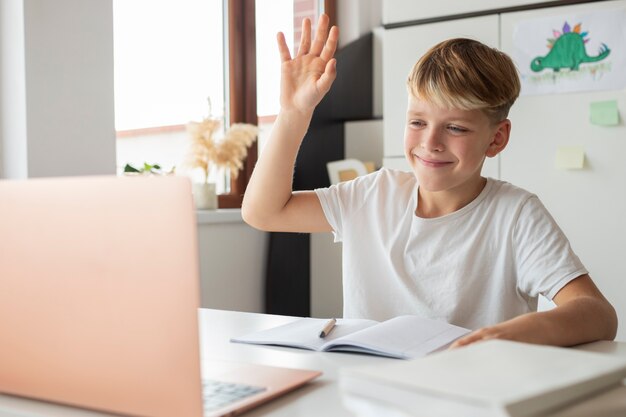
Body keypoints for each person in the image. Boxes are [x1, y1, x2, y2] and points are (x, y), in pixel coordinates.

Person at [241, 14, 617, 347]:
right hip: (374, 394)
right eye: (417, 122)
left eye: (454, 127)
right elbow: (264, 212)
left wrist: (512, 335)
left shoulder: (515, 215)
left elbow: (598, 314)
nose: (430, 143)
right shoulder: (373, 194)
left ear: (496, 138)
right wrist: (293, 113)